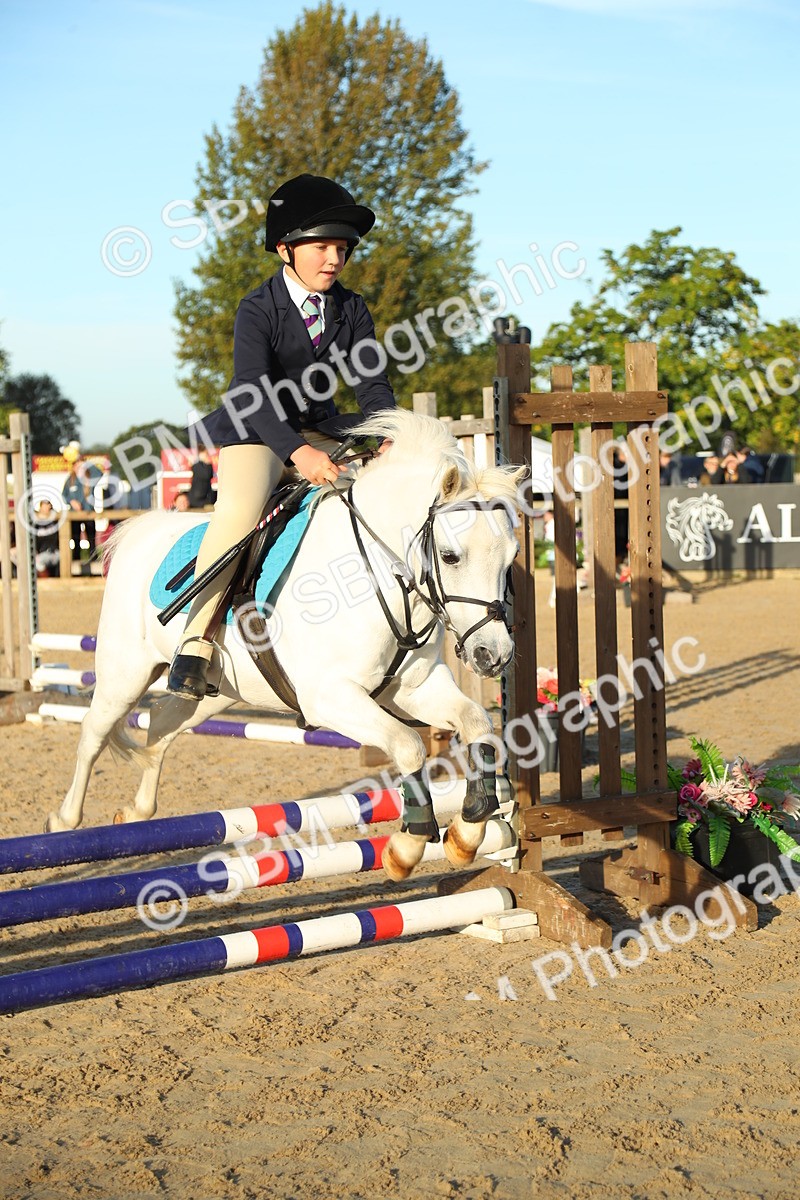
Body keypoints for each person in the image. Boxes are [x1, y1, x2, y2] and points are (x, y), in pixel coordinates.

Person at [167, 173, 396, 700]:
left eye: (341, 248)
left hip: (320, 424)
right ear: (284, 249)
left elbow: (373, 383)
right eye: (322, 247)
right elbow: (250, 391)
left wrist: (387, 433)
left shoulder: (353, 308)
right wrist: (298, 452)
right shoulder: (258, 308)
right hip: (257, 427)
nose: (335, 258)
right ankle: (195, 642)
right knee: (239, 514)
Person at [33, 499, 61, 577]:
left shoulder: (55, 520)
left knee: (38, 561)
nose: (47, 508)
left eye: (48, 506)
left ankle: (48, 582)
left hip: (54, 552)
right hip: (42, 553)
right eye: (44, 506)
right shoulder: (37, 524)